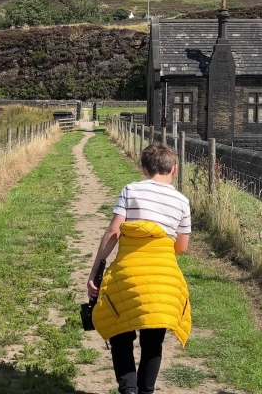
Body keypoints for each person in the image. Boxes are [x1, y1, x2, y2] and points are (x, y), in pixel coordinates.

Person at [86, 143, 192, 394]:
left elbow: (113, 232)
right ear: (174, 169)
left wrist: (96, 271)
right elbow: (181, 247)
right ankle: (146, 391)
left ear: (143, 169)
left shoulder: (130, 190)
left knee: (120, 331)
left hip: (128, 274)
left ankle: (128, 390)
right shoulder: (182, 201)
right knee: (153, 341)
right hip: (164, 279)